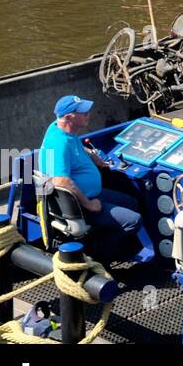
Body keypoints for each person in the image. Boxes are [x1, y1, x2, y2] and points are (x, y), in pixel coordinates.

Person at [39, 95, 142, 254]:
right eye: (83, 112)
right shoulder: (59, 143)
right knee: (134, 221)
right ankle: (97, 253)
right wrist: (89, 204)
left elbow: (73, 143)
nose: (88, 114)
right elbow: (60, 181)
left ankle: (120, 244)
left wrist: (91, 155)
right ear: (69, 117)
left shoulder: (58, 128)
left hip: (94, 194)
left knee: (132, 203)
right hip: (80, 206)